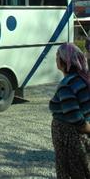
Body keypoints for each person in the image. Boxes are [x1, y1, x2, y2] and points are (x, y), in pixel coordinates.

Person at [49, 43, 90, 178]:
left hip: (70, 139)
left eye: (57, 56)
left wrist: (87, 128)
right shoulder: (82, 79)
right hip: (77, 138)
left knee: (73, 172)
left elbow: (76, 119)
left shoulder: (67, 85)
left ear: (64, 61)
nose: (56, 59)